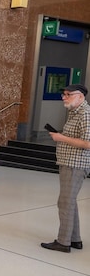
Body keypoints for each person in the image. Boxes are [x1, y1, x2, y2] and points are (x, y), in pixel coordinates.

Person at [41, 84, 90, 253]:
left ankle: (63, 242)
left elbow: (88, 143)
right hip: (69, 162)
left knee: (64, 202)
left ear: (81, 97)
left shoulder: (85, 114)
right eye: (64, 94)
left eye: (68, 94)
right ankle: (75, 239)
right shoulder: (74, 112)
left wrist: (61, 137)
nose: (64, 97)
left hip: (75, 164)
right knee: (70, 202)